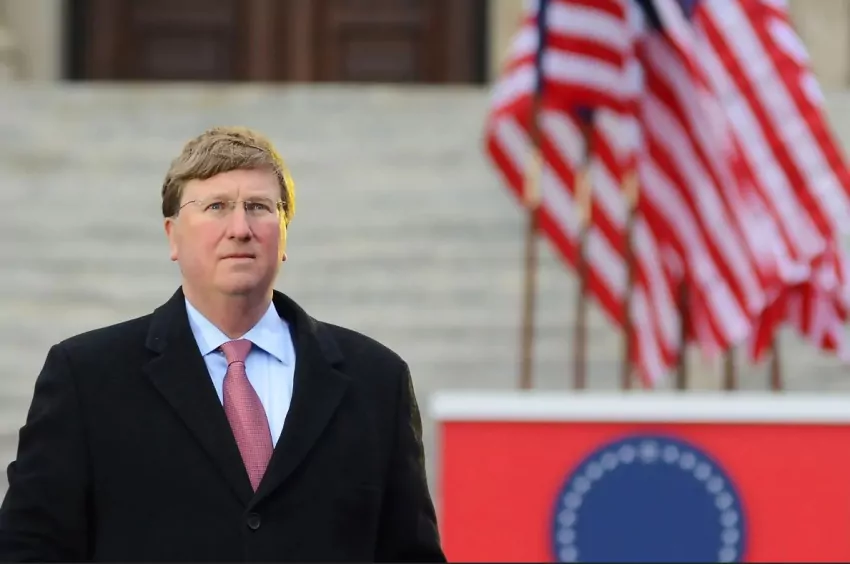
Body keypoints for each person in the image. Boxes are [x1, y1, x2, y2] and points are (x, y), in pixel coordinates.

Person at [0, 126, 445, 562]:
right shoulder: (87, 377)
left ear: (284, 233)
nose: (240, 228)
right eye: (216, 206)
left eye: (258, 207)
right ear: (172, 235)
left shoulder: (375, 380)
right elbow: (30, 547)